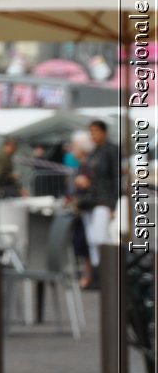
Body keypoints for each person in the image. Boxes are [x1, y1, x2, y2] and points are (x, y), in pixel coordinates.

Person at [74, 119, 122, 288]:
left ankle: (109, 272)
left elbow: (116, 177)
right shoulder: (94, 152)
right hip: (90, 200)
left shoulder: (111, 150)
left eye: (95, 131)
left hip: (104, 199)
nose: (92, 135)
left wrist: (114, 204)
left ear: (103, 132)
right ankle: (98, 275)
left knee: (101, 237)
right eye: (91, 132)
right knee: (93, 239)